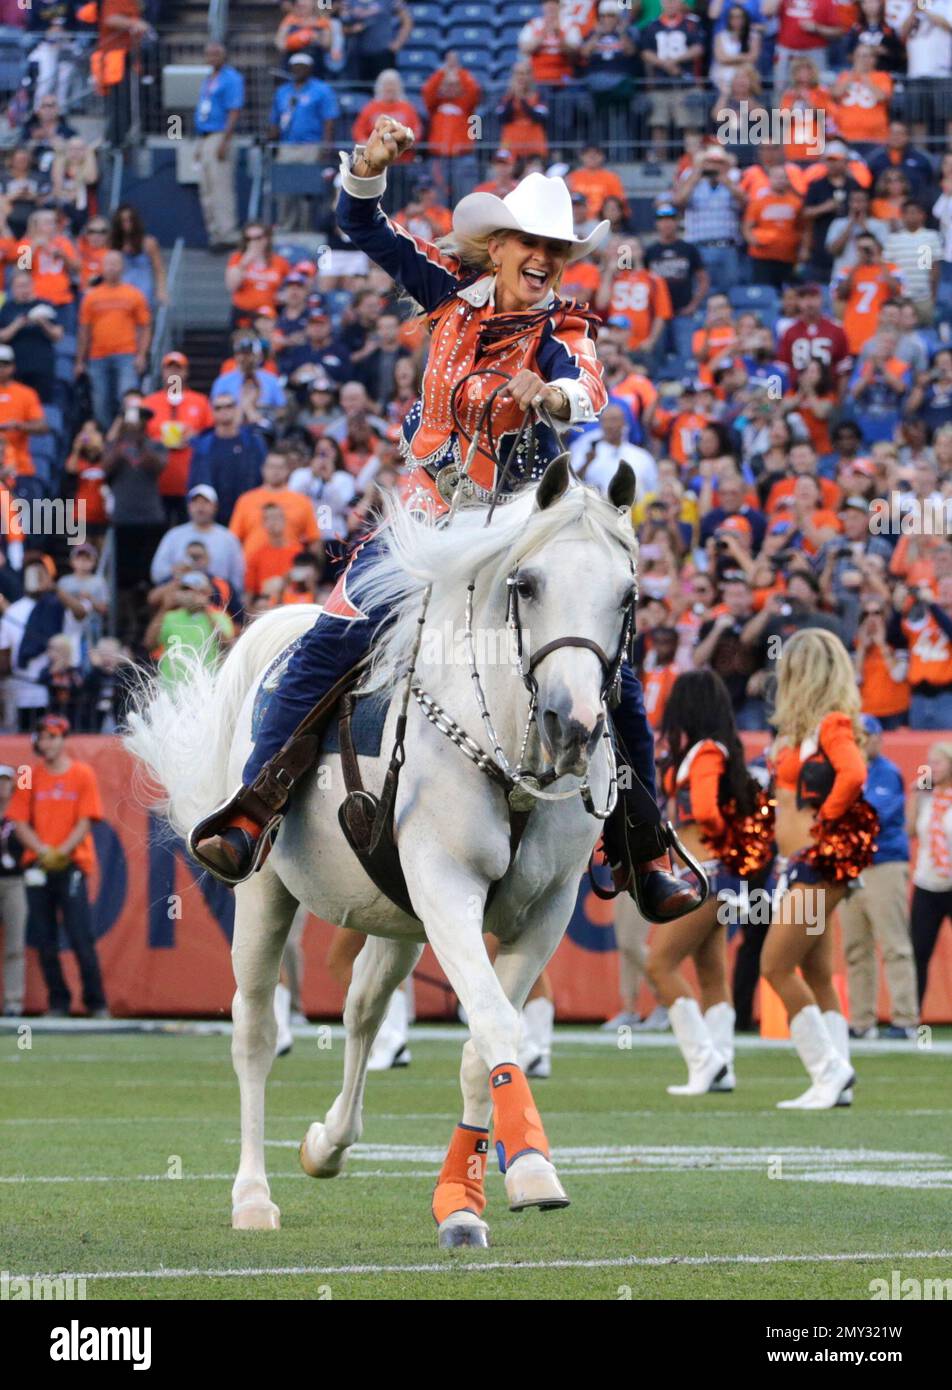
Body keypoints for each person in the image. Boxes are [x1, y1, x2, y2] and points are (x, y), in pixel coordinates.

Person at [191, 115, 702, 933]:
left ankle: (642, 847)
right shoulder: (447, 294)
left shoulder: (563, 329)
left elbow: (592, 387)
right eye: (529, 242)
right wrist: (366, 166)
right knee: (332, 636)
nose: (545, 259)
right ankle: (255, 804)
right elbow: (364, 227)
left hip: (512, 528)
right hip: (427, 519)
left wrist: (557, 397)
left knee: (616, 671)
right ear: (495, 246)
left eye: (559, 250)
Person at [760, 629, 876, 1109]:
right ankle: (838, 1074)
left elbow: (854, 774)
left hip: (816, 864)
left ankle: (828, 1069)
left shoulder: (832, 724)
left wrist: (823, 823)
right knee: (817, 970)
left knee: (774, 965)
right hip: (801, 863)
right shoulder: (805, 731)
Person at [645, 670, 770, 1094]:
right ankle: (723, 1063)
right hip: (718, 876)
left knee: (659, 963)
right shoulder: (711, 750)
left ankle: (705, 1061)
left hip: (706, 875)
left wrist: (718, 847)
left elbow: (706, 810)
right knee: (712, 971)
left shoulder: (705, 754)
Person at [12, 714, 108, 1019]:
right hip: (39, 864)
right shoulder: (29, 774)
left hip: (71, 864)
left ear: (64, 740)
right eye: (42, 737)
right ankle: (58, 1002)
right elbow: (18, 821)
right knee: (45, 938)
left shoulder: (82, 773)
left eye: (52, 736)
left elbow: (86, 820)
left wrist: (61, 852)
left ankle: (96, 1003)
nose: (47, 742)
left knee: (80, 935)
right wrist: (42, 850)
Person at [839, 715, 918, 1040]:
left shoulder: (887, 773)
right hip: (852, 868)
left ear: (877, 739)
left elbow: (871, 815)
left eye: (865, 735)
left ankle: (905, 1019)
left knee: (894, 944)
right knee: (856, 948)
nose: (861, 741)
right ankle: (861, 1021)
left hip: (883, 864)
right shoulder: (845, 771)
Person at [76, 249, 151, 430]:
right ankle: (107, 440)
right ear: (102, 267)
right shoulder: (91, 297)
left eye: (115, 263)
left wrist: (141, 355)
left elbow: (145, 326)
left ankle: (131, 437)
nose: (111, 268)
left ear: (123, 267)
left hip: (126, 355)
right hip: (97, 357)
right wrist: (80, 361)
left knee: (128, 398)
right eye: (108, 263)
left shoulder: (134, 294)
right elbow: (84, 330)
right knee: (100, 402)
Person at [907, 740, 952, 1012]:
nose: (933, 767)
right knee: (919, 951)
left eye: (938, 762)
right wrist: (916, 793)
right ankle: (913, 1016)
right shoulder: (927, 797)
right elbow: (911, 830)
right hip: (927, 882)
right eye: (930, 762)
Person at [194, 41, 245, 252]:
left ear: (224, 56)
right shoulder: (208, 78)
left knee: (221, 187)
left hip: (219, 135)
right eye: (209, 53)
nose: (212, 57)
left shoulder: (231, 78)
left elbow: (234, 110)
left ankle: (228, 233)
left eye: (217, 53)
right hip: (205, 136)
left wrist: (225, 140)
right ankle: (214, 233)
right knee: (206, 188)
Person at [0, 763, 27, 1016]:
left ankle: (13, 1001)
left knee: (15, 945)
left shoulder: (20, 814)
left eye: (5, 780)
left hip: (14, 881)